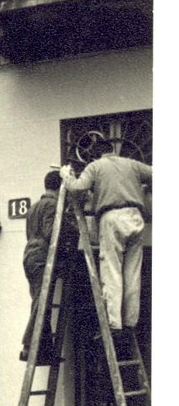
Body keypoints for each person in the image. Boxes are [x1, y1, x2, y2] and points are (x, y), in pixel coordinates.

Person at [61, 141, 152, 357]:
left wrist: (66, 175)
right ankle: (130, 322)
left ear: (96, 154)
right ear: (113, 150)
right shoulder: (131, 164)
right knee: (132, 273)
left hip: (111, 218)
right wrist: (144, 190)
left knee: (112, 271)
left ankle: (114, 325)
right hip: (135, 217)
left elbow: (77, 187)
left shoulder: (95, 166)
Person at [20, 170, 78, 365]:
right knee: (41, 303)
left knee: (40, 301)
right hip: (43, 257)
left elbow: (33, 233)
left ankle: (44, 350)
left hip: (30, 256)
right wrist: (72, 229)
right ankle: (29, 346)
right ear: (60, 186)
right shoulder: (53, 205)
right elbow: (51, 232)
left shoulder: (34, 207)